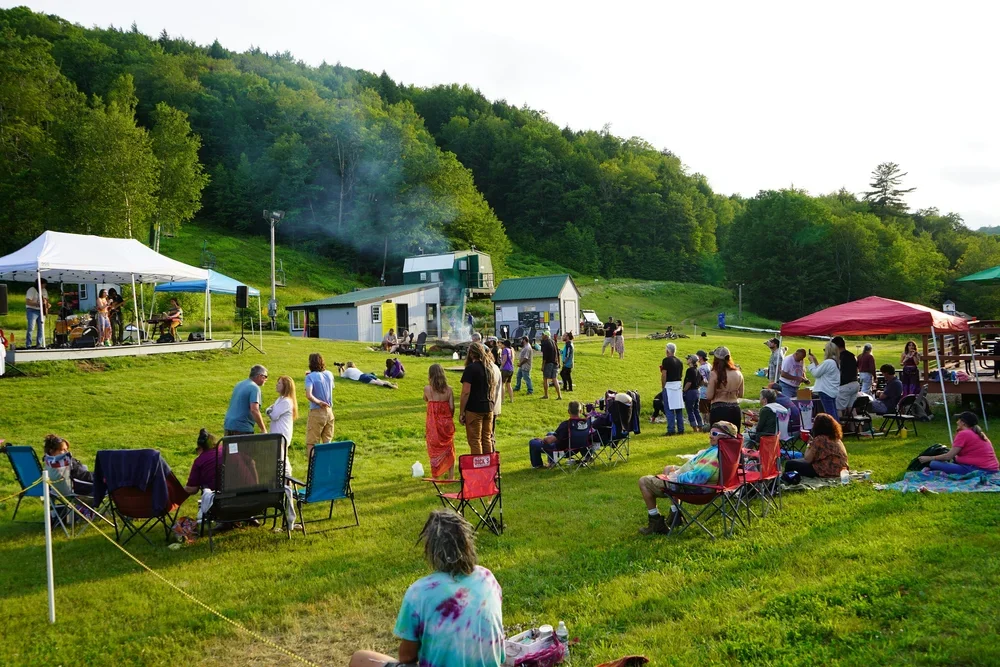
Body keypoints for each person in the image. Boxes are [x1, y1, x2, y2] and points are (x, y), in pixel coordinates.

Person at [348, 510, 505, 667]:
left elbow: (407, 657)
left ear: (431, 548)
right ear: (468, 544)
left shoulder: (420, 592)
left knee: (360, 658)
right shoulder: (487, 577)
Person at [637, 421, 739, 535]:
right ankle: (675, 516)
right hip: (713, 487)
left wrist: (674, 477)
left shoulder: (714, 455)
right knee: (668, 468)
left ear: (725, 438)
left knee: (643, 481)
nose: (710, 436)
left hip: (695, 490)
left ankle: (655, 523)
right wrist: (674, 472)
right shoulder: (728, 452)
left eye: (714, 434)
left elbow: (696, 479)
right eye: (711, 432)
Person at [918, 411, 999, 475]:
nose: (957, 422)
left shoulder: (964, 434)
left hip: (978, 470)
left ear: (963, 423)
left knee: (934, 463)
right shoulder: (978, 432)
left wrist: (928, 458)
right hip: (991, 469)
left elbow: (948, 456)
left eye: (959, 420)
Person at [783, 413, 848, 478]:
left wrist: (809, 444)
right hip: (841, 469)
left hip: (826, 470)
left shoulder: (820, 439)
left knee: (789, 464)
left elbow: (807, 459)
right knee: (798, 461)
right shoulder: (836, 439)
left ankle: (787, 478)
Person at [459, 342, 495, 455]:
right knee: (487, 438)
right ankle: (489, 467)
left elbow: (465, 392)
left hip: (474, 408)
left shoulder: (470, 369)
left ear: (471, 354)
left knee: (475, 440)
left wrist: (461, 412)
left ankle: (478, 469)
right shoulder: (489, 367)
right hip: (489, 407)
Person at [528, 400, 588, 468]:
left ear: (568, 411)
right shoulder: (585, 423)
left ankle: (537, 465)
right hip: (576, 448)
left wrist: (542, 439)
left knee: (533, 442)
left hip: (562, 451)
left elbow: (550, 440)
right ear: (580, 411)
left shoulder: (566, 425)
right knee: (550, 433)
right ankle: (552, 462)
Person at [424, 364, 456, 480]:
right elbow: (452, 407)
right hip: (446, 423)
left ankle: (436, 474)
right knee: (449, 448)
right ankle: (451, 476)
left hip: (433, 424)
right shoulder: (449, 390)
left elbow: (425, 399)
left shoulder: (427, 389)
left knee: (433, 447)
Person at [183, 429, 223, 521]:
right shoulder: (227, 450)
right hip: (247, 496)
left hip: (220, 501)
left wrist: (177, 491)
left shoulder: (200, 461)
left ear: (200, 447)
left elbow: (192, 489)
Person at [304, 353, 336, 457]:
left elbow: (309, 395)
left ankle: (312, 471)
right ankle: (327, 468)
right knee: (327, 442)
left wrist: (318, 402)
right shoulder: (329, 374)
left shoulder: (310, 377)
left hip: (317, 411)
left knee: (312, 443)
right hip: (329, 412)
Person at [266, 375, 299, 477]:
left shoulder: (286, 401)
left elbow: (274, 415)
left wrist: (269, 411)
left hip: (281, 435)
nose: (277, 385)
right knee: (278, 459)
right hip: (276, 434)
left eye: (279, 383)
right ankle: (282, 480)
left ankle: (288, 480)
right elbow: (269, 410)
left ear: (285, 386)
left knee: (282, 459)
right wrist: (269, 411)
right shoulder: (280, 399)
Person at [706, 347, 744, 429]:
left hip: (718, 408)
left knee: (719, 438)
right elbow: (741, 394)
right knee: (733, 438)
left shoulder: (714, 374)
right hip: (734, 408)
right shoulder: (738, 373)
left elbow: (709, 396)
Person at [224, 365, 268, 436]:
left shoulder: (239, 384)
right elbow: (254, 410)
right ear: (260, 376)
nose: (266, 379)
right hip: (242, 428)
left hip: (228, 425)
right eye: (265, 377)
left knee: (231, 447)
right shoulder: (254, 388)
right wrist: (263, 429)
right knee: (244, 447)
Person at [807, 342, 841, 422]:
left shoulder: (828, 362)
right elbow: (821, 371)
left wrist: (811, 363)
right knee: (833, 412)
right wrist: (815, 361)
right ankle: (837, 429)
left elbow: (816, 373)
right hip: (831, 390)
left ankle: (833, 430)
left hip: (826, 390)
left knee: (830, 414)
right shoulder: (835, 361)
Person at [660, 343, 685, 435]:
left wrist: (663, 386)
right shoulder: (680, 361)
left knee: (669, 409)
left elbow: (664, 374)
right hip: (678, 385)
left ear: (667, 351)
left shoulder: (666, 360)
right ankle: (681, 429)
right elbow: (681, 375)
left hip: (669, 385)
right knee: (678, 408)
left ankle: (671, 429)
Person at [832, 336, 859, 419]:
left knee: (838, 409)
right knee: (852, 408)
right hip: (855, 383)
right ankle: (857, 429)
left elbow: (838, 372)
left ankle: (839, 428)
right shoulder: (852, 355)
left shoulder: (840, 357)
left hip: (844, 386)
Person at [25, 278, 49, 348]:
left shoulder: (44, 290)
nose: (44, 286)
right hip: (32, 310)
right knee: (31, 328)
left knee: (41, 328)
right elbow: (27, 301)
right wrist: (37, 304)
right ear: (40, 284)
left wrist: (47, 305)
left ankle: (39, 344)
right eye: (43, 284)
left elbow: (46, 300)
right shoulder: (32, 290)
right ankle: (28, 344)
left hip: (41, 311)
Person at [683, 354, 705, 432]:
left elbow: (689, 382)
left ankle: (694, 428)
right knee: (696, 410)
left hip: (690, 392)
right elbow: (702, 382)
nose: (687, 360)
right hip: (697, 392)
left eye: (688, 359)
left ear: (691, 360)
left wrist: (684, 391)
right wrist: (697, 386)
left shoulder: (690, 370)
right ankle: (701, 426)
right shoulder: (697, 370)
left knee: (690, 410)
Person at [538, 332, 561, 400]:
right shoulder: (554, 342)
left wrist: (543, 366)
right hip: (555, 362)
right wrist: (559, 363)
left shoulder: (545, 343)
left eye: (542, 335)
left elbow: (545, 356)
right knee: (555, 379)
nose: (542, 336)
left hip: (548, 363)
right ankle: (559, 395)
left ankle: (546, 395)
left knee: (545, 379)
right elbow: (558, 353)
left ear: (546, 336)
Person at [697, 350, 712, 426]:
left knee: (704, 411)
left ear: (700, 357)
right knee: (709, 410)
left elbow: (704, 380)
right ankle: (710, 424)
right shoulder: (709, 365)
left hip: (703, 392)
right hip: (711, 392)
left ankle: (706, 425)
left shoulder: (701, 368)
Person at [499, 339, 515, 404]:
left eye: (502, 344)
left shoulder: (505, 350)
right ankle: (511, 399)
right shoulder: (511, 350)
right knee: (509, 384)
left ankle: (502, 400)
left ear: (504, 345)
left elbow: (505, 359)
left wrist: (501, 366)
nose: (501, 345)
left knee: (502, 384)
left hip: (505, 369)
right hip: (511, 369)